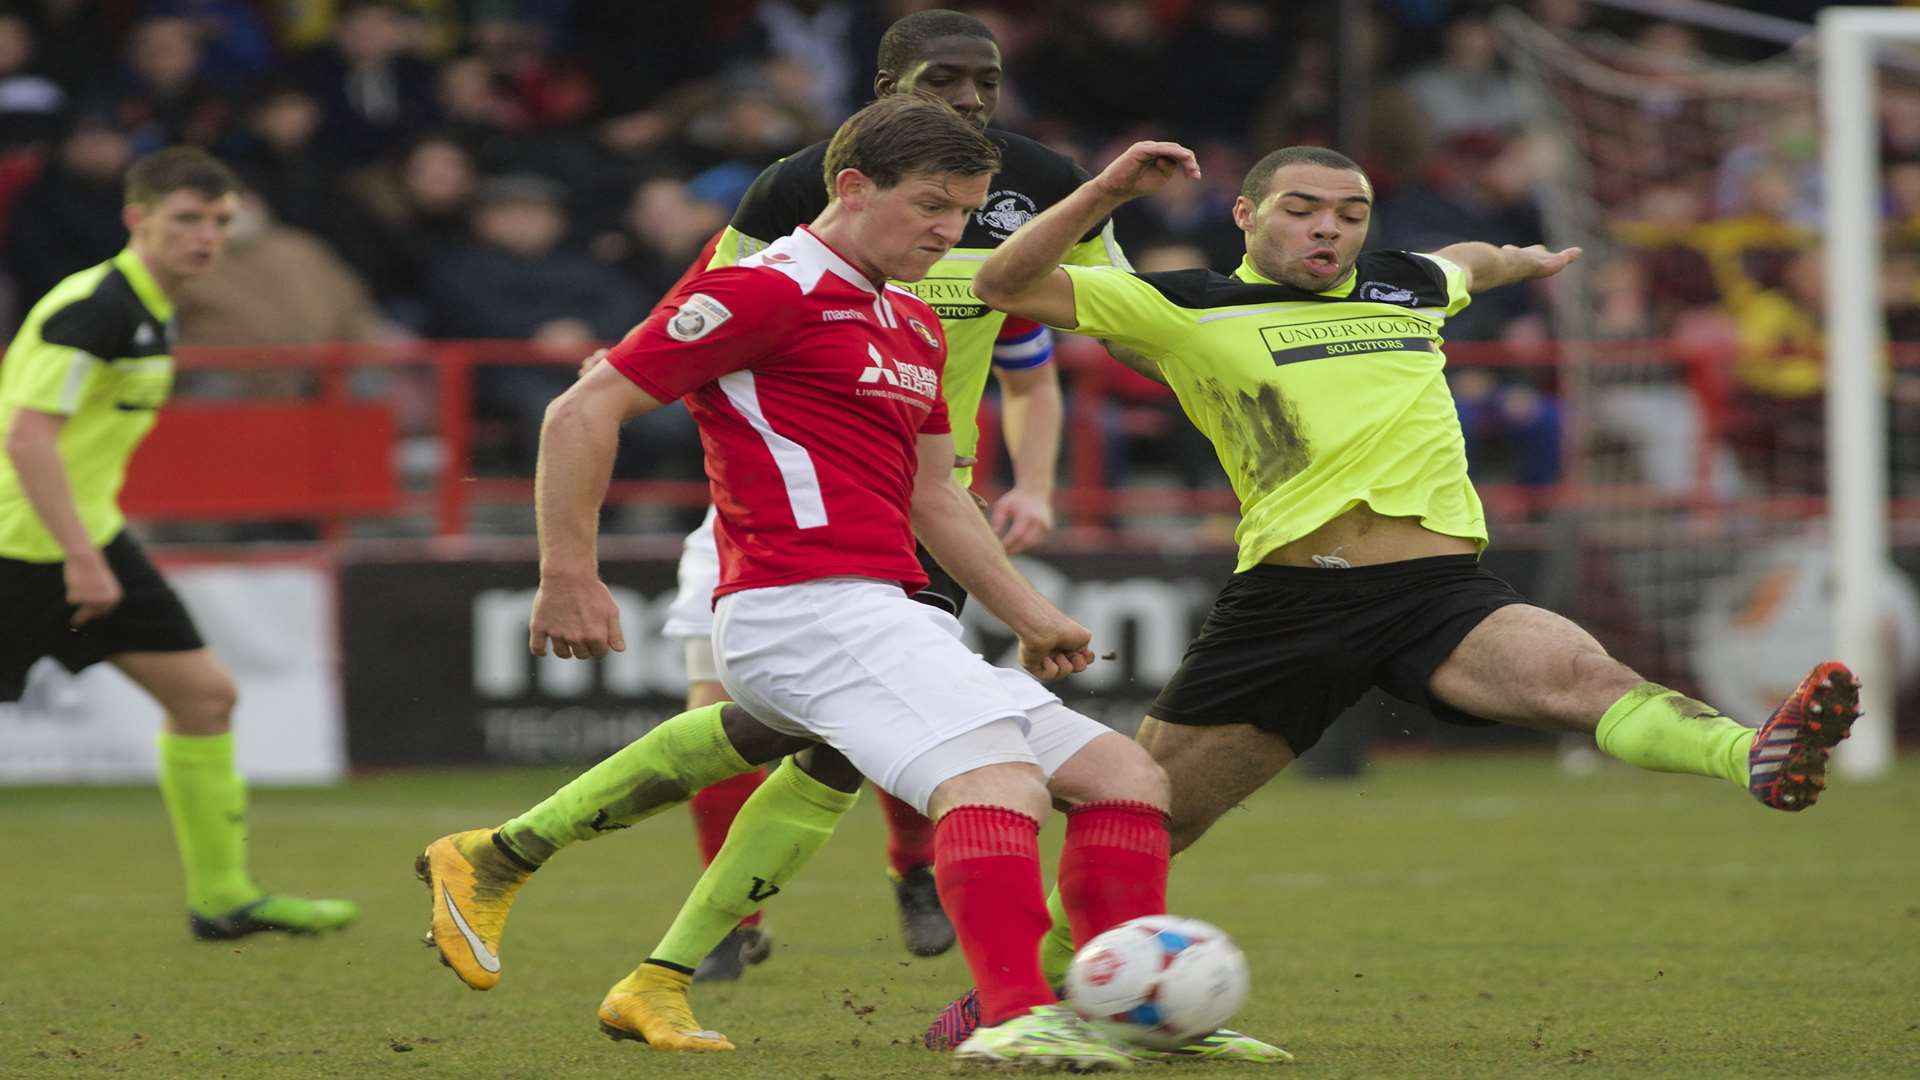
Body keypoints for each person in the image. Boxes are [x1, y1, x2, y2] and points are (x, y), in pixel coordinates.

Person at [915, 139, 1862, 1049]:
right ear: (1245, 216)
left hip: (1438, 590)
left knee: (1577, 673)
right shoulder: (1182, 304)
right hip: (1288, 605)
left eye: (1351, 214)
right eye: (1303, 210)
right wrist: (1108, 195)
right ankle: (1021, 993)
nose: (1330, 229)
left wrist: (1518, 259)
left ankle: (1754, 755)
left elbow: (1468, 262)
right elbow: (1002, 286)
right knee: (1148, 812)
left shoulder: (1408, 283)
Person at [417, 94, 1172, 1071]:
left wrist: (1033, 613)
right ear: (852, 189)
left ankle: (1122, 1013)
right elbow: (581, 410)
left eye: (967, 216)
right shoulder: (760, 291)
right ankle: (1018, 1015)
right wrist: (569, 573)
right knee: (996, 780)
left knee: (1126, 779)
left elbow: (936, 497)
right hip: (798, 606)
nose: (950, 235)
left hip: (887, 609)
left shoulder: (911, 319)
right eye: (931, 208)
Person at [651, 7, 1103, 980]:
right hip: (768, 492)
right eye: (945, 81)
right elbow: (692, 330)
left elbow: (1044, 353)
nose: (972, 99)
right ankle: (711, 923)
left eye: (985, 80)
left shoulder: (1009, 225)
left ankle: (905, 868)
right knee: (725, 713)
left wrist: (1032, 485)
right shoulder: (794, 209)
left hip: (930, 507)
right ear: (885, 89)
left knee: (859, 732)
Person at [0, 146, 357, 940]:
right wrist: (82, 560)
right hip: (23, 550)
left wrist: (92, 547)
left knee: (205, 696)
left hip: (85, 535)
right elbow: (25, 438)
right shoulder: (89, 307)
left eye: (220, 222)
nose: (205, 237)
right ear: (138, 220)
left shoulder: (154, 305)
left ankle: (224, 899)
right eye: (187, 220)